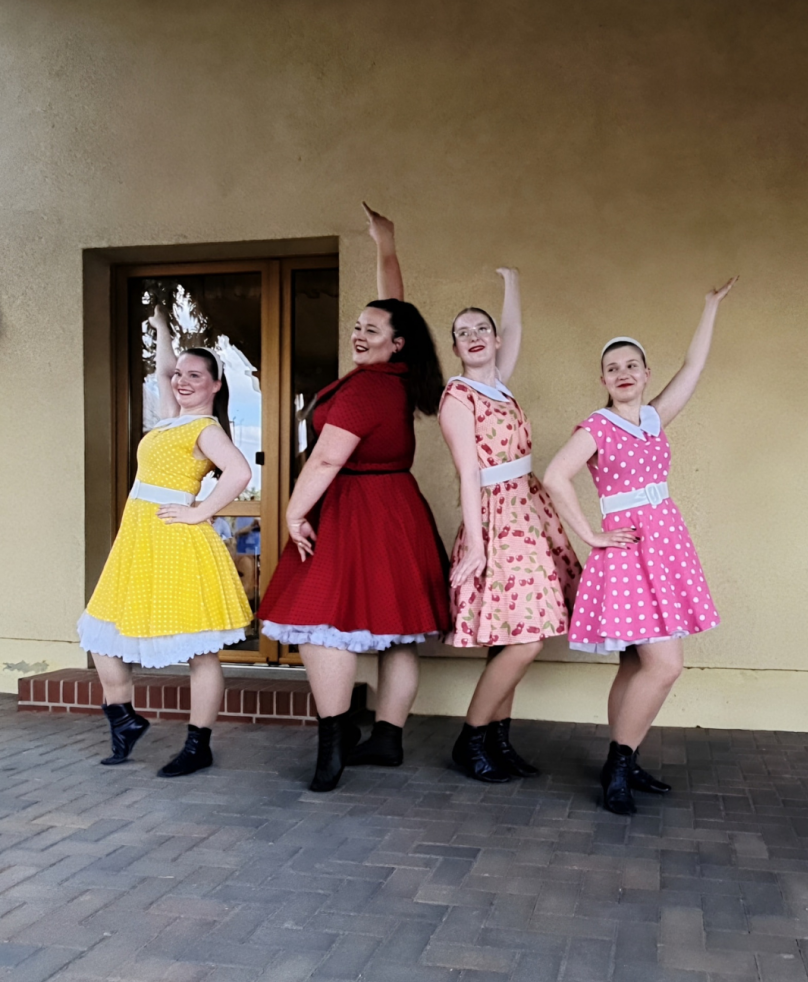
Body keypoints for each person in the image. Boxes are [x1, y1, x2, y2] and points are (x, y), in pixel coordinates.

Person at [258, 203, 449, 792]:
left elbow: (326, 459)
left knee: (320, 622)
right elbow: (396, 308)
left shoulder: (367, 389)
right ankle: (387, 738)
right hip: (398, 510)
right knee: (397, 629)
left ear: (396, 344)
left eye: (371, 330)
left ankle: (333, 744)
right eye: (358, 326)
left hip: (354, 509)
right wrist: (384, 245)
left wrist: (293, 511)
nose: (358, 333)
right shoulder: (399, 375)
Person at [543, 277, 737, 813]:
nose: (623, 373)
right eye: (613, 368)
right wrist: (590, 534)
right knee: (664, 665)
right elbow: (556, 476)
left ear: (647, 374)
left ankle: (625, 761)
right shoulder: (598, 426)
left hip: (665, 544)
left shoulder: (653, 418)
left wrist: (709, 307)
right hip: (630, 552)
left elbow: (693, 367)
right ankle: (618, 764)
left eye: (632, 365)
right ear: (603, 380)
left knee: (634, 665)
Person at [77, 304, 252, 776]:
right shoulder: (171, 418)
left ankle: (198, 744)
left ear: (216, 385)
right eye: (180, 374)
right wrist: (161, 329)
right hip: (137, 540)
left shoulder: (205, 428)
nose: (182, 380)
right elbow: (161, 371)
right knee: (101, 630)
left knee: (200, 649)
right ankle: (124, 718)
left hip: (176, 540)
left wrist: (199, 511)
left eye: (196, 375)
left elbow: (239, 473)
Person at [439, 269, 581, 782]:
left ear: (495, 341)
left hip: (527, 508)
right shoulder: (459, 396)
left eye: (482, 329)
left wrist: (513, 282)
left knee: (511, 636)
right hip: (496, 518)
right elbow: (468, 473)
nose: (474, 337)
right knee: (526, 637)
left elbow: (515, 330)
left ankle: (498, 742)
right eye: (463, 332)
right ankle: (471, 740)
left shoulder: (498, 385)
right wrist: (477, 546)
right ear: (456, 348)